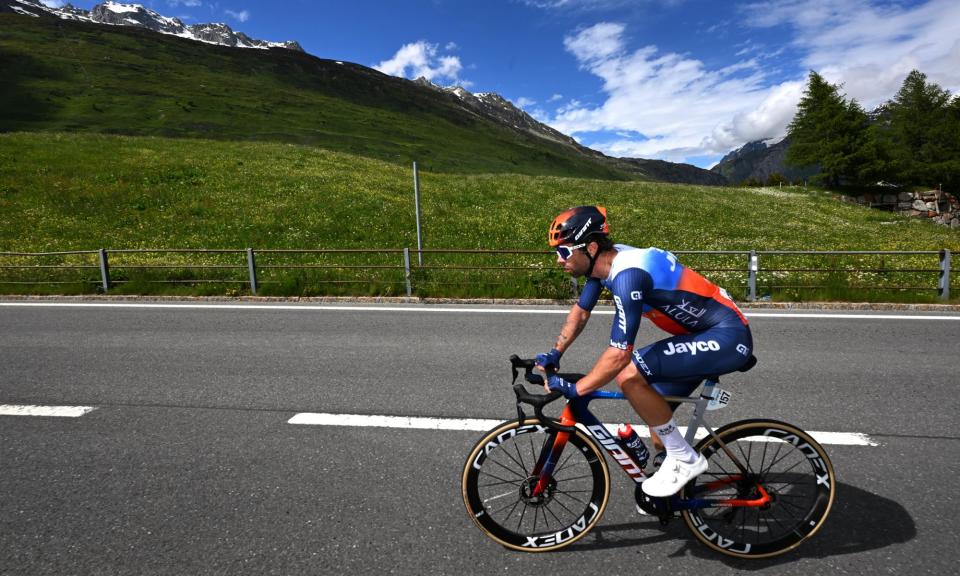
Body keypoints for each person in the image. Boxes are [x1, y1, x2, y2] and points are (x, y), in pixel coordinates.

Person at [536, 206, 753, 498]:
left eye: (563, 252)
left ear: (590, 247)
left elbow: (619, 354)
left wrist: (577, 388)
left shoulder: (628, 276)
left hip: (725, 336)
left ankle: (686, 461)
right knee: (658, 421)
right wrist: (555, 352)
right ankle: (675, 492)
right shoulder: (605, 265)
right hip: (700, 334)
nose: (558, 259)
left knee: (629, 376)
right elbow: (581, 312)